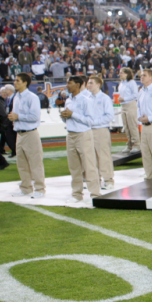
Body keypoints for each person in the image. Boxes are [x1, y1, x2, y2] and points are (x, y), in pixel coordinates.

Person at [60, 76, 101, 205]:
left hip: (83, 134)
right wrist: (64, 116)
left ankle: (95, 194)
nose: (67, 86)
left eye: (70, 83)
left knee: (89, 166)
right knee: (74, 167)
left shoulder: (86, 99)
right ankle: (76, 194)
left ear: (78, 85)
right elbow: (68, 119)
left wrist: (73, 115)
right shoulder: (68, 100)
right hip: (70, 134)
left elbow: (90, 120)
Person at [9, 73, 46, 198]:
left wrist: (18, 116)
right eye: (15, 80)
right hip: (19, 133)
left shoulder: (32, 97)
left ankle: (40, 189)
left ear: (25, 82)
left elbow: (35, 117)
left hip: (30, 133)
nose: (15, 82)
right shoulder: (16, 97)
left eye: (17, 80)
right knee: (22, 163)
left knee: (35, 162)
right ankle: (25, 188)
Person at [86, 75, 115, 191]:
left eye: (91, 83)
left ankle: (108, 180)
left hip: (101, 130)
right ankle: (95, 180)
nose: (88, 85)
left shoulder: (104, 98)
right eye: (88, 83)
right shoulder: (87, 98)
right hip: (88, 131)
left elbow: (109, 116)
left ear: (98, 84)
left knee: (104, 156)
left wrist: (95, 122)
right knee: (91, 157)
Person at [118, 67, 140, 153]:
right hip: (123, 105)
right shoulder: (121, 83)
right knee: (126, 126)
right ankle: (129, 145)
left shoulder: (132, 83)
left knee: (132, 125)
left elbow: (136, 95)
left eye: (122, 73)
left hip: (130, 104)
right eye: (120, 73)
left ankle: (137, 145)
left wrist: (125, 98)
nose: (120, 74)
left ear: (127, 74)